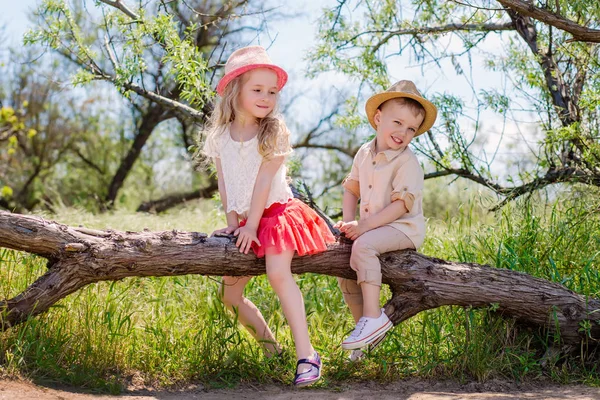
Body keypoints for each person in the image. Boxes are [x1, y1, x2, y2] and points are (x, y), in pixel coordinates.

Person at [201, 45, 336, 386]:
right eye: (257, 90)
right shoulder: (220, 136)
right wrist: (234, 225)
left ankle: (307, 355)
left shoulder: (273, 131)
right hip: (247, 223)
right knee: (229, 295)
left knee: (278, 272)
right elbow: (225, 182)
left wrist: (253, 224)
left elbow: (263, 182)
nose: (266, 97)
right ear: (235, 91)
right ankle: (271, 349)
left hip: (276, 215)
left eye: (272, 91)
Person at [335, 80, 437, 359]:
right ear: (378, 118)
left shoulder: (407, 162)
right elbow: (351, 189)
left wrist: (364, 227)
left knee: (364, 247)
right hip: (373, 229)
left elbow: (400, 207)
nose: (403, 133)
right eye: (397, 122)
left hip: (402, 228)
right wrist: (347, 224)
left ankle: (373, 316)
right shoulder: (364, 152)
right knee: (345, 271)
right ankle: (364, 333)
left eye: (411, 129)